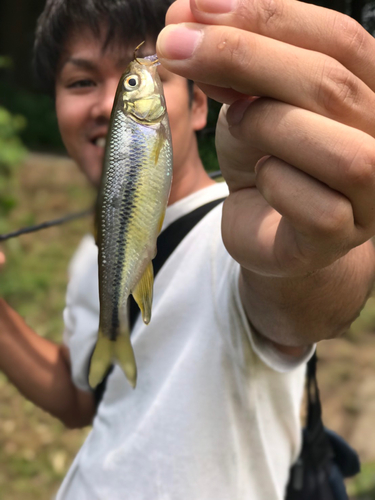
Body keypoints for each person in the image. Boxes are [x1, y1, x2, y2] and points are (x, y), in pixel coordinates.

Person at [1, 0, 375, 498]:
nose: (107, 101)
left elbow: (303, 304)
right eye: (81, 81)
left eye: (131, 80)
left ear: (201, 105)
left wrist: (311, 248)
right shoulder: (93, 256)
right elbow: (81, 398)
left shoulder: (237, 233)